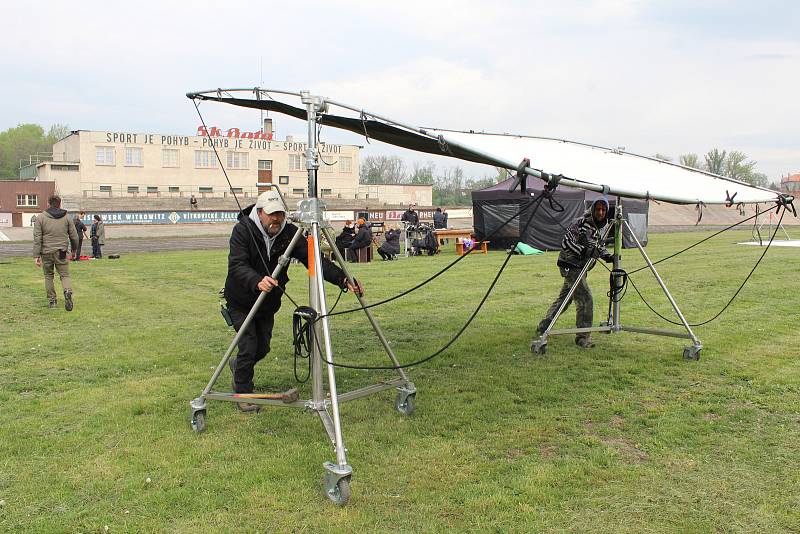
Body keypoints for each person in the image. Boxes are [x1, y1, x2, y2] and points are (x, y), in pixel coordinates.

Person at [224, 190, 364, 412]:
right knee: (248, 345)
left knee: (262, 347)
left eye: (280, 214)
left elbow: (314, 261)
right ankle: (244, 393)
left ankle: (239, 366)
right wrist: (257, 280)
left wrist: (343, 279)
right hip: (241, 300)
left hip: (268, 302)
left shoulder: (289, 232)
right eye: (272, 214)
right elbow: (237, 265)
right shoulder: (242, 230)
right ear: (260, 213)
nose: (276, 219)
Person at [535, 197, 614, 349]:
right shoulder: (580, 223)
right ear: (592, 209)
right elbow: (566, 242)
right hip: (570, 265)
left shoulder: (602, 226)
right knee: (585, 299)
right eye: (598, 209)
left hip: (582, 267)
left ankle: (544, 325)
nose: (601, 212)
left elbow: (597, 245)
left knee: (564, 299)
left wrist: (606, 255)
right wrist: (585, 250)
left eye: (603, 210)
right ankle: (582, 337)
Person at [33, 195, 78, 311]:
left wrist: (36, 255)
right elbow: (74, 236)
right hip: (62, 251)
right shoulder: (67, 217)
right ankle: (67, 291)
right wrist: (74, 250)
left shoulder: (41, 218)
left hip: (46, 251)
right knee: (64, 275)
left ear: (48, 203)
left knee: (48, 276)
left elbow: (37, 238)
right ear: (59, 204)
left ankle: (52, 301)